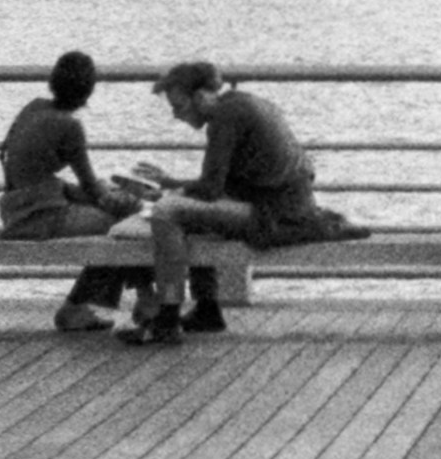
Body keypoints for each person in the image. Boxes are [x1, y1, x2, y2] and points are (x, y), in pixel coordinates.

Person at [119, 61, 354, 346]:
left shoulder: (224, 120)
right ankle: (207, 308)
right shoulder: (242, 104)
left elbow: (210, 189)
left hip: (273, 214)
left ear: (202, 96)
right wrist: (171, 186)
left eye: (179, 106)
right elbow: (222, 185)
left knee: (166, 214)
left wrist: (168, 193)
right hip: (290, 205)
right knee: (186, 212)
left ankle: (167, 320)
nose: (176, 115)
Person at [0, 50, 148, 334]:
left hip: (16, 207)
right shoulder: (70, 126)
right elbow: (93, 190)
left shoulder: (34, 107)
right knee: (123, 227)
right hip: (36, 216)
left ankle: (123, 300)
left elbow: (31, 174)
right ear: (89, 89)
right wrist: (122, 194)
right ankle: (86, 305)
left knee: (120, 220)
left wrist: (102, 192)